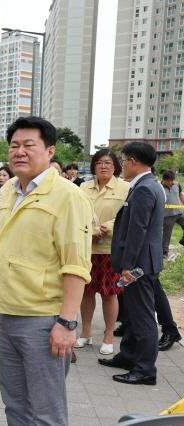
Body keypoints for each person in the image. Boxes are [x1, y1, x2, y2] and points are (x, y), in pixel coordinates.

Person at [0, 117, 92, 426]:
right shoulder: (7, 192)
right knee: (15, 404)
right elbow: (4, 251)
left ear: (50, 151)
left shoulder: (68, 196)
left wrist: (67, 323)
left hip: (44, 320)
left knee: (46, 412)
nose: (19, 152)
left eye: (29, 145)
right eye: (15, 145)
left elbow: (76, 265)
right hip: (9, 315)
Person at [99, 142, 168, 384]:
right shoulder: (144, 185)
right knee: (131, 312)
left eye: (124, 160)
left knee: (143, 317)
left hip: (139, 265)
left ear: (134, 162)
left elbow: (138, 230)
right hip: (141, 262)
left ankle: (145, 370)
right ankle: (128, 356)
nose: (122, 164)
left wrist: (128, 265)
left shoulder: (145, 189)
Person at [75, 149, 129, 356]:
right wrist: (92, 231)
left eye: (107, 162)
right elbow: (79, 212)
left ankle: (108, 335)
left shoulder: (125, 188)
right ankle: (86, 333)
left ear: (115, 166)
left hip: (110, 249)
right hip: (87, 246)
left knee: (109, 293)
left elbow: (126, 216)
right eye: (99, 163)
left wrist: (108, 228)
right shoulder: (83, 187)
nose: (103, 166)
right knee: (86, 291)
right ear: (93, 166)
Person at [161, 170, 184, 258]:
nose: (171, 182)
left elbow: (181, 195)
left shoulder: (177, 185)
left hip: (180, 212)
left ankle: (183, 240)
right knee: (166, 235)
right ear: (164, 180)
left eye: (172, 180)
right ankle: (164, 253)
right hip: (167, 216)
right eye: (170, 180)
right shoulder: (159, 187)